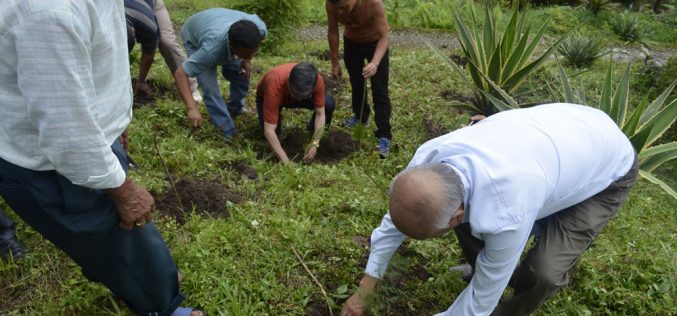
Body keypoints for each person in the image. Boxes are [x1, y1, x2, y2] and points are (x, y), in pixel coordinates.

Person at [0, 1, 202, 315]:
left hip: (86, 137)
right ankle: (162, 306)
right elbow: (68, 136)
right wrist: (122, 188)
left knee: (117, 238)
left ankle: (121, 274)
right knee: (120, 234)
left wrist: (114, 122)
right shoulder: (49, 14)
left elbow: (94, 59)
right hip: (50, 164)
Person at [341, 103, 638, 316]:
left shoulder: (507, 211)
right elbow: (394, 223)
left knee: (545, 272)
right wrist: (366, 289)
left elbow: (478, 304)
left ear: (456, 214)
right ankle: (482, 266)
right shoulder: (429, 160)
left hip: (606, 169)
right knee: (481, 236)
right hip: (558, 143)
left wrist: (488, 285)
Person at [175, 8, 267, 138]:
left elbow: (247, 51)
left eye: (253, 52)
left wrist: (247, 59)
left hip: (218, 20)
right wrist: (191, 108)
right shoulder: (210, 51)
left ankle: (235, 108)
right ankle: (228, 132)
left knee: (241, 74)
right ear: (231, 46)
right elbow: (180, 73)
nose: (250, 55)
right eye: (245, 53)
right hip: (194, 34)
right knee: (210, 89)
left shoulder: (260, 30)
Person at [326, 0, 392, 157]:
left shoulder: (373, 3)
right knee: (356, 83)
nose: (341, 12)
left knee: (380, 91)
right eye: (338, 9)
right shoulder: (331, 4)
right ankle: (361, 117)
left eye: (343, 7)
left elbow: (384, 37)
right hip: (352, 44)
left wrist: (375, 63)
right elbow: (333, 31)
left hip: (376, 43)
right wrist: (335, 62)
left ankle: (384, 135)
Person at [256, 62, 336, 163]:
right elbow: (269, 130)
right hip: (268, 97)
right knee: (274, 133)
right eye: (295, 93)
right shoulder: (274, 85)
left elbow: (320, 114)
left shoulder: (316, 80)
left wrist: (315, 142)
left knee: (328, 104)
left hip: (290, 93)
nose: (298, 98)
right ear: (289, 79)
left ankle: (312, 129)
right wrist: (286, 162)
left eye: (303, 96)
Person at [124, 0, 202, 102]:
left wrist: (141, 81)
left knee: (167, 43)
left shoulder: (148, 24)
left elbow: (149, 52)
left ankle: (190, 87)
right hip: (122, 7)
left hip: (151, 4)